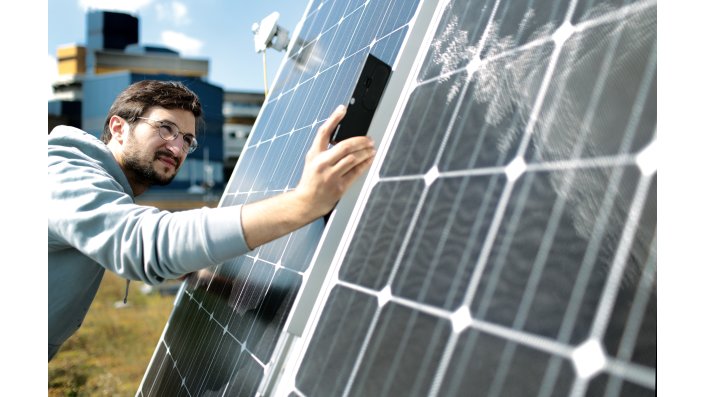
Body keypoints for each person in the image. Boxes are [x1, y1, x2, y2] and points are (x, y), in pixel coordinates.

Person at [48, 80, 376, 361]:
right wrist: (303, 203)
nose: (176, 147)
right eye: (166, 128)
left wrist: (241, 290)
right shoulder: (63, 172)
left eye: (187, 140)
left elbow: (151, 248)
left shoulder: (98, 187)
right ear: (119, 128)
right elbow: (145, 245)